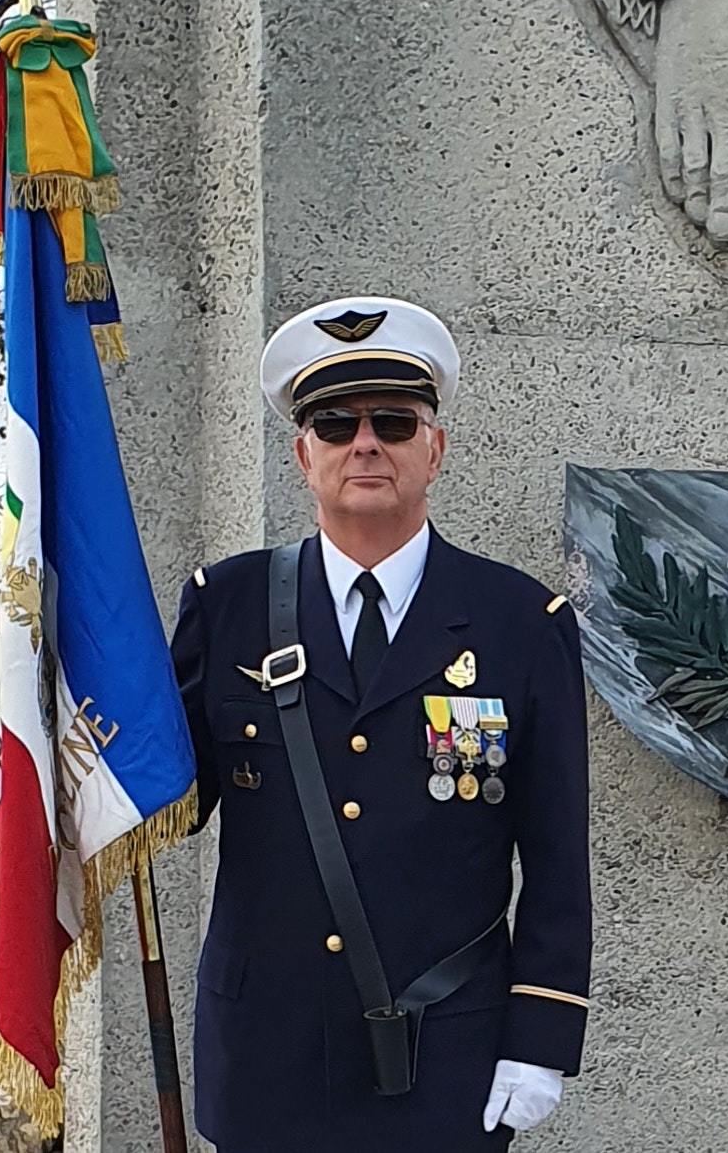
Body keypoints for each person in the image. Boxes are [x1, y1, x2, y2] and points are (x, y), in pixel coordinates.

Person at [172, 297, 592, 1151]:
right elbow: (168, 796)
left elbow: (555, 856)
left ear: (434, 447)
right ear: (302, 454)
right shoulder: (229, 608)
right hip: (267, 1055)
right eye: (334, 424)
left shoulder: (520, 622)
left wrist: (540, 1040)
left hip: (447, 1054)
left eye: (394, 421)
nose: (365, 443)